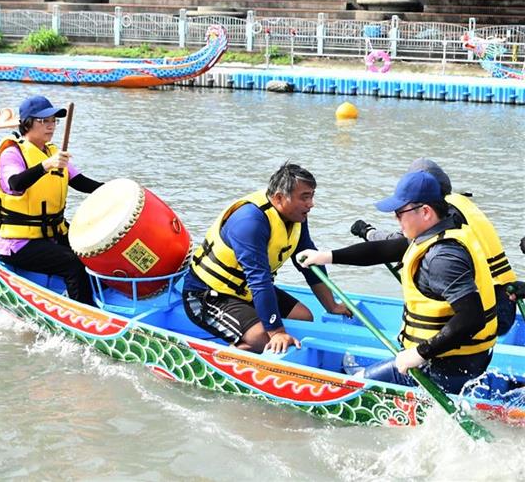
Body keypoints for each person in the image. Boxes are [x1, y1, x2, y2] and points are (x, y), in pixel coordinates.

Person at [298, 171, 498, 394]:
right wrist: (327, 256)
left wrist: (419, 353)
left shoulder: (442, 258)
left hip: (446, 368)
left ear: (425, 212)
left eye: (400, 213)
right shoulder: (443, 231)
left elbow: (472, 318)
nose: (395, 218)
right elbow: (382, 250)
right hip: (463, 360)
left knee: (352, 385)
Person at [182, 162, 351, 354]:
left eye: (312, 197)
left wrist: (332, 306)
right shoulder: (250, 222)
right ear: (280, 198)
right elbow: (259, 280)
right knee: (262, 339)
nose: (311, 204)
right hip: (209, 295)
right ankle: (222, 361)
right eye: (305, 197)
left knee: (303, 317)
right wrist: (276, 331)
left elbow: (308, 261)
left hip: (245, 290)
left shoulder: (295, 216)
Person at [348, 158, 519, 336]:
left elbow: (398, 244)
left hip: (487, 311)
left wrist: (367, 232)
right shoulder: (461, 204)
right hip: (506, 300)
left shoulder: (446, 219)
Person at [0, 95, 103, 305]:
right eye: (44, 121)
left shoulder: (53, 152)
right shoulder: (12, 152)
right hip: (18, 243)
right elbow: (15, 183)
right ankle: (85, 315)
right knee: (73, 264)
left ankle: (109, 296)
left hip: (52, 232)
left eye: (54, 120)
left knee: (93, 248)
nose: (51, 126)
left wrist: (118, 188)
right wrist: (46, 165)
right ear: (27, 123)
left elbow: (81, 182)